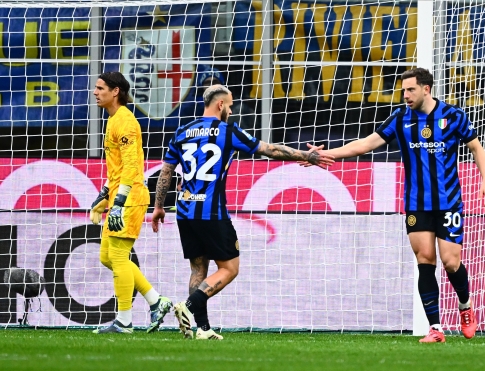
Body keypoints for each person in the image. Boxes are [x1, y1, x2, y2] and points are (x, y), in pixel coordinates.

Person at [303, 68, 485, 343]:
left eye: (410, 90)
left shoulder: (453, 116)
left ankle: (465, 306)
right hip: (416, 203)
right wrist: (326, 153)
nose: (405, 95)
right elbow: (367, 143)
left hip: (449, 201)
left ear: (426, 89)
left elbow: (476, 147)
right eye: (403, 90)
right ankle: (436, 328)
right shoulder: (401, 118)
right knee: (425, 260)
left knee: (451, 262)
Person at [151, 84, 334, 340]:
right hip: (211, 212)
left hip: (184, 210)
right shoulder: (227, 131)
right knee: (230, 268)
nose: (232, 109)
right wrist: (307, 155)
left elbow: (166, 172)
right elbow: (270, 150)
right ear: (220, 105)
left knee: (198, 269)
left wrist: (159, 206)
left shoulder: (182, 131)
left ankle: (202, 330)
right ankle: (189, 307)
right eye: (231, 104)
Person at [89, 71, 173, 334]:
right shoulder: (113, 120)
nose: (95, 92)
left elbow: (133, 165)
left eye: (100, 88)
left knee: (117, 256)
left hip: (130, 198)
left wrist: (119, 201)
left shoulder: (125, 120)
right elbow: (118, 167)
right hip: (119, 196)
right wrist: (105, 195)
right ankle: (156, 301)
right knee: (107, 257)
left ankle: (124, 321)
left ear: (115, 91)